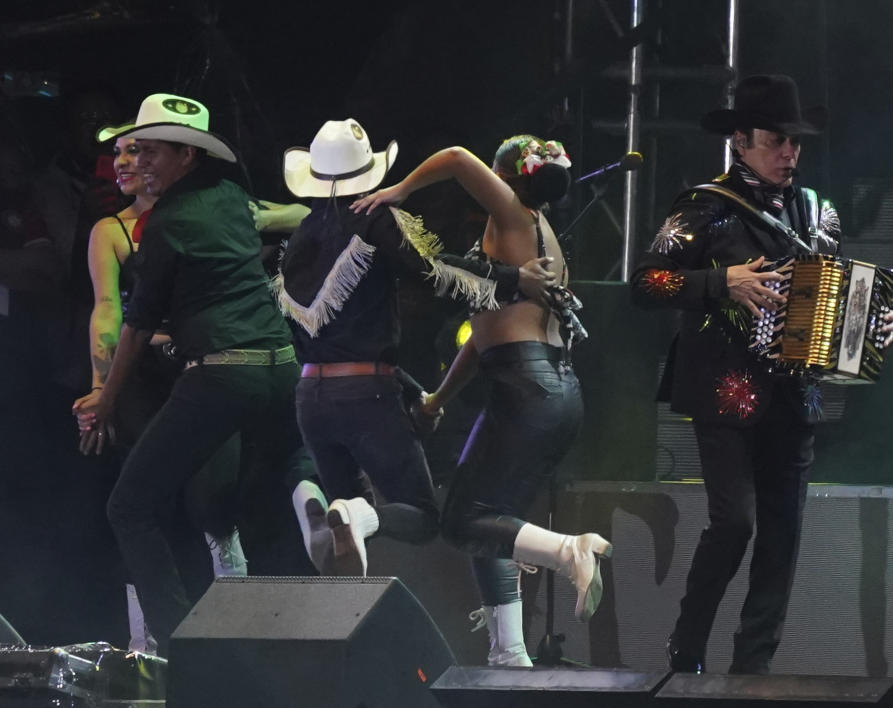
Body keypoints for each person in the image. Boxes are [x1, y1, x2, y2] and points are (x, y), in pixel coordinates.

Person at [629, 74, 893, 674]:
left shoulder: (817, 211)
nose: (789, 153)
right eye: (777, 140)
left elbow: (836, 292)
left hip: (793, 396)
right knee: (735, 525)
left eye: (796, 142)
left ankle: (752, 673)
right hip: (724, 393)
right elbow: (645, 284)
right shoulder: (704, 207)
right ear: (741, 141)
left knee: (782, 542)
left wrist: (874, 324)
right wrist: (718, 282)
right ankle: (687, 652)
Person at [72, 93, 323, 655]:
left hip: (219, 371)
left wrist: (102, 399)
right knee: (240, 489)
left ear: (186, 157)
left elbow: (132, 326)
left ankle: (184, 650)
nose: (138, 160)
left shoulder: (168, 223)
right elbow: (297, 216)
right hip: (280, 364)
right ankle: (313, 497)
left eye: (151, 151)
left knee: (128, 506)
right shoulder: (231, 198)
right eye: (133, 150)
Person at [353, 135, 612, 667]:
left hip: (528, 387)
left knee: (462, 521)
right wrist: (436, 399)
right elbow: (480, 335)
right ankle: (509, 653)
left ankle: (571, 551)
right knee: (494, 521)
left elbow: (453, 158)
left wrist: (398, 191)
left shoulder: (513, 214)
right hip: (550, 390)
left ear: (507, 176)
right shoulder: (539, 236)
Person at [274, 119, 556, 580]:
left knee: (349, 536)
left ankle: (318, 504)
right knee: (422, 517)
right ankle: (355, 514)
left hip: (311, 397)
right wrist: (513, 278)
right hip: (365, 394)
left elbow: (319, 339)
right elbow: (431, 272)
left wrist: (408, 387)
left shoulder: (302, 236)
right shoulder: (374, 219)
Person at [77, 130, 250, 653]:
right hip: (139, 379)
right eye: (118, 155)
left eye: (137, 152)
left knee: (210, 502)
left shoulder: (206, 214)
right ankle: (147, 644)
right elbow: (107, 310)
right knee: (140, 506)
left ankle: (241, 626)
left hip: (202, 368)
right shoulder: (111, 231)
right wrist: (99, 388)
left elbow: (281, 216)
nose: (124, 163)